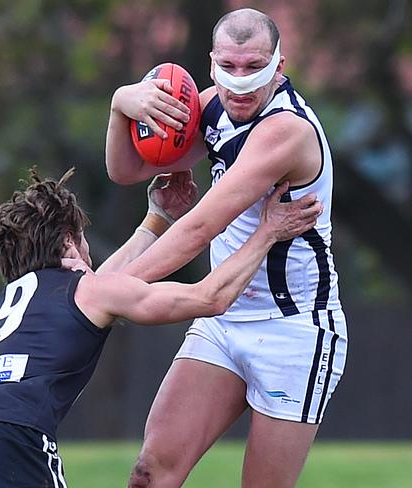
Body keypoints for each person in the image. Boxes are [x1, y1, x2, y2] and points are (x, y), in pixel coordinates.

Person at [0, 165, 321, 488]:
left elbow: (107, 281)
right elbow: (210, 298)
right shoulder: (88, 292)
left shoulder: (25, 293)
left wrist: (157, 219)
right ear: (69, 243)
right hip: (12, 438)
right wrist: (267, 232)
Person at [104, 7, 348, 488]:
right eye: (229, 67)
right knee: (149, 474)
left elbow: (199, 227)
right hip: (223, 321)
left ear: (279, 66)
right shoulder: (212, 104)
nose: (240, 82)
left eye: (254, 66)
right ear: (212, 62)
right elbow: (126, 170)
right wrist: (119, 104)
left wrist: (107, 290)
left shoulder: (285, 130)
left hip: (293, 330)